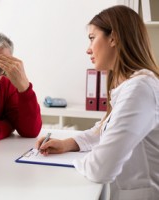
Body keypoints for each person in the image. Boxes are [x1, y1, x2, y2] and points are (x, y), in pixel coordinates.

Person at [36, 5, 159, 200]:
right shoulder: (131, 85)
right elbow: (105, 129)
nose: (88, 49)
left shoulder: (140, 88)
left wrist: (77, 162)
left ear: (114, 38)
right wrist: (67, 143)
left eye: (92, 38)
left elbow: (101, 168)